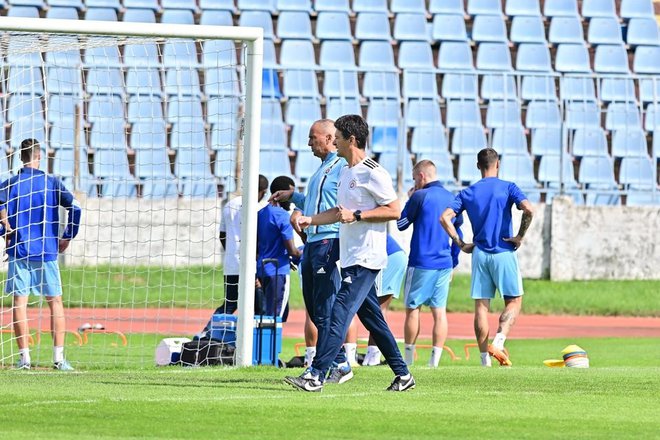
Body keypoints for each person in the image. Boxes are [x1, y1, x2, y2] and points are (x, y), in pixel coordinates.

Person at [285, 114, 415, 392]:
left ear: (351, 140)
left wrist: (357, 215)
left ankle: (317, 374)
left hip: (367, 258)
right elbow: (337, 212)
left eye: (340, 138)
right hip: (349, 255)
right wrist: (312, 220)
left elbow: (394, 210)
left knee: (338, 312)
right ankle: (403, 375)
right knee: (372, 319)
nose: (336, 143)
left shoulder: (373, 172)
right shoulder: (345, 172)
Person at [269, 119, 354, 381]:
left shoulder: (342, 167)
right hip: (313, 243)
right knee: (316, 310)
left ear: (329, 138)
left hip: (329, 241)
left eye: (312, 137)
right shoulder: (321, 171)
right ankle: (339, 363)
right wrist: (293, 197)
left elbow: (341, 207)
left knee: (327, 307)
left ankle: (322, 367)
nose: (308, 143)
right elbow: (315, 204)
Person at [440, 148, 534, 367]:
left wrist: (461, 244)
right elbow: (528, 209)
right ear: (497, 164)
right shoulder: (508, 187)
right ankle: (499, 343)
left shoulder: (467, 192)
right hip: (503, 251)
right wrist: (519, 236)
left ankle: (484, 360)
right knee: (514, 301)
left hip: (480, 254)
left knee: (481, 307)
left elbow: (445, 218)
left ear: (477, 166)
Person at [0, 138, 82, 370]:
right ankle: (58, 358)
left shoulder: (10, 184)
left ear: (20, 158)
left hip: (20, 249)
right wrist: (67, 235)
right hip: (47, 250)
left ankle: (24, 359)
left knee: (19, 303)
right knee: (55, 302)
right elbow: (76, 207)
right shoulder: (52, 183)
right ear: (39, 157)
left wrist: (4, 230)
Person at [396, 160, 463, 368]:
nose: (415, 182)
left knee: (413, 308)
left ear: (421, 176)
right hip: (444, 263)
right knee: (439, 312)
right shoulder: (452, 197)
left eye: (415, 178)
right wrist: (453, 261)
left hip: (421, 261)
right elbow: (457, 233)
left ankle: (408, 360)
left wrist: (410, 199)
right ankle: (434, 362)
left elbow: (401, 224)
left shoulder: (419, 195)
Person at [200, 175, 268, 333]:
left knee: (230, 304)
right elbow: (260, 238)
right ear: (263, 191)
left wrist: (232, 251)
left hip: (231, 264)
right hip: (253, 266)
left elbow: (222, 235)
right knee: (259, 308)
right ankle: (255, 344)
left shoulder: (230, 205)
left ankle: (206, 334)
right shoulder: (260, 208)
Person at [256, 176, 302, 320]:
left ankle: (263, 343)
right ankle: (272, 344)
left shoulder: (261, 213)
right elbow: (292, 250)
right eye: (291, 193)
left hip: (262, 269)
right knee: (277, 317)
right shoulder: (282, 216)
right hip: (278, 271)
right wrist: (305, 253)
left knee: (267, 317)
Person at [362, 234, 407, 366]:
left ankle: (373, 357)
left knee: (378, 310)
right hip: (394, 256)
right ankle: (372, 355)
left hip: (388, 257)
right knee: (379, 310)